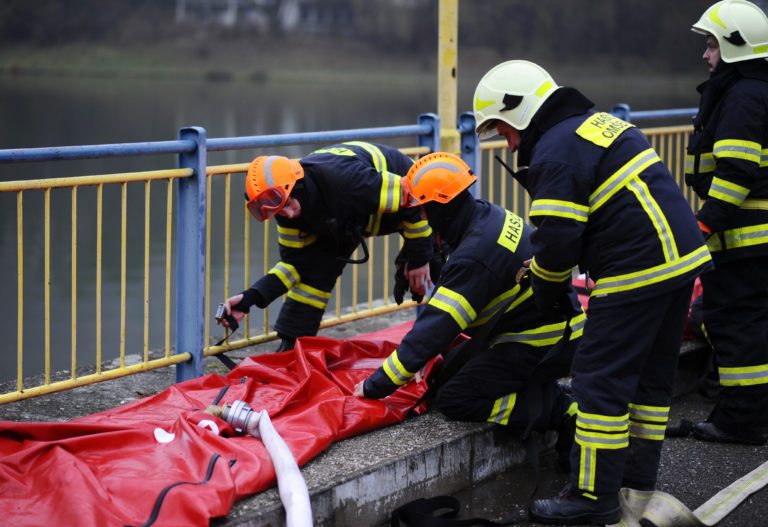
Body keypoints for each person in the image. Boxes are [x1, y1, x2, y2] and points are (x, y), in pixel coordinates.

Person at [473, 60, 713, 525]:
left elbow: (559, 238)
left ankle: (591, 498)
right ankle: (635, 484)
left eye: (503, 130)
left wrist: (545, 281)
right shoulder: (596, 125)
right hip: (680, 262)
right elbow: (600, 212)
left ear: (520, 113)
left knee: (599, 382)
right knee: (649, 384)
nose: (508, 143)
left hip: (636, 271)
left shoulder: (554, 152)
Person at [353, 152, 585, 471]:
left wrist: (377, 384)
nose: (419, 215)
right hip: (548, 328)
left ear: (439, 206)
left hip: (542, 342)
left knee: (455, 397)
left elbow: (437, 326)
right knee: (446, 368)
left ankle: (560, 410)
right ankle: (548, 394)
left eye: (422, 207)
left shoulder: (475, 254)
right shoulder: (483, 215)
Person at [218, 141, 438, 352]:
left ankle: (454, 339)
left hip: (415, 200)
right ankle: (293, 345)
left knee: (444, 264)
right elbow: (295, 264)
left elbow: (414, 198)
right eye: (280, 212)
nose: (289, 215)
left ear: (298, 185)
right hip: (351, 218)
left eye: (289, 204)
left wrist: (418, 257)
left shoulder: (343, 179)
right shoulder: (282, 209)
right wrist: (250, 298)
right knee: (316, 274)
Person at [685, 0, 768, 446]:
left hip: (745, 241)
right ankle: (745, 414)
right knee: (753, 326)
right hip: (753, 239)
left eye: (713, 45)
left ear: (734, 48)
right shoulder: (755, 91)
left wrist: (703, 226)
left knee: (737, 328)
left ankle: (740, 423)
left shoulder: (742, 96)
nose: (706, 55)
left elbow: (735, 172)